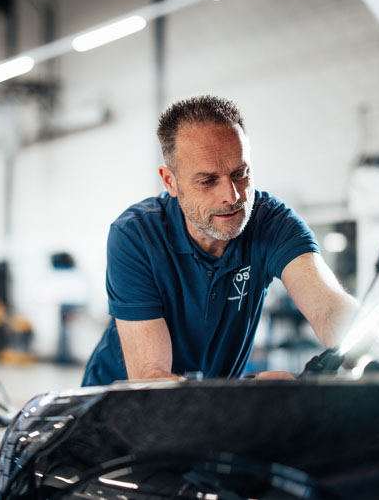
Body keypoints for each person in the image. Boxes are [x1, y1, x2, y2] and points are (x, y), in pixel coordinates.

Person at [82, 95, 358, 386]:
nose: (233, 196)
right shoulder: (136, 236)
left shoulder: (272, 223)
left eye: (240, 174)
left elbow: (327, 306)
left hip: (211, 406)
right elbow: (151, 380)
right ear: (170, 182)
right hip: (118, 408)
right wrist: (248, 393)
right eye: (208, 181)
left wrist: (376, 360)